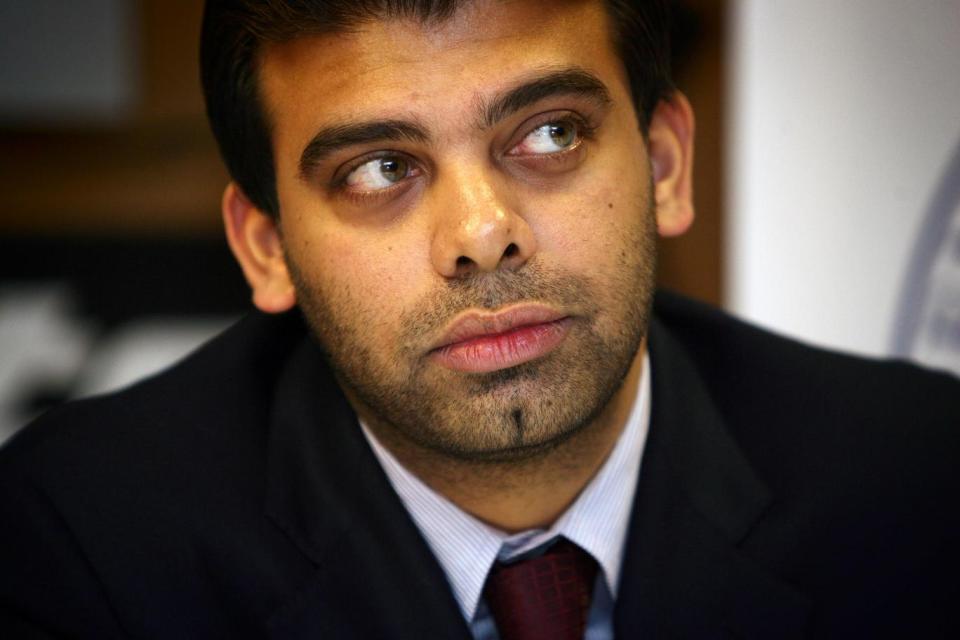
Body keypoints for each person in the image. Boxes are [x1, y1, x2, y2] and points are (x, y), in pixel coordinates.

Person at [1, 1, 958, 638]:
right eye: (379, 168)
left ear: (665, 165)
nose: (482, 235)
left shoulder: (922, 484)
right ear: (266, 248)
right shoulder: (81, 553)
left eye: (550, 133)